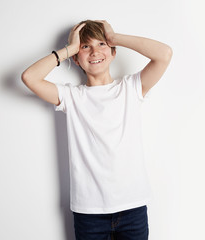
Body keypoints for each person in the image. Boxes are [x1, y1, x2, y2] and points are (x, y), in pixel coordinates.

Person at [22, 20, 172, 240]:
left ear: (112, 53)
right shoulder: (72, 97)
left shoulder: (130, 88)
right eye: (85, 47)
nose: (94, 52)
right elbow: (29, 77)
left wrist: (114, 38)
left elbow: (165, 54)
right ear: (76, 59)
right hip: (89, 212)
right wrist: (69, 49)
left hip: (133, 206)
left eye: (101, 44)